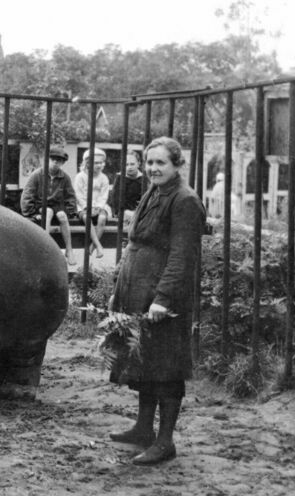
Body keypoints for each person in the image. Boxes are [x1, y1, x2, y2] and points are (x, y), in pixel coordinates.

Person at [107, 136, 206, 465]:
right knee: (144, 361)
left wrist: (162, 299)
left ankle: (165, 442)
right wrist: (120, 289)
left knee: (166, 366)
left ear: (178, 164)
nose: (153, 168)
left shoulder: (185, 200)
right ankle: (142, 429)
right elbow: (136, 242)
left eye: (160, 162)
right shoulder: (154, 191)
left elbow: (181, 257)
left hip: (164, 299)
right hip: (138, 291)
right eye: (149, 162)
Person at [20, 145, 78, 265]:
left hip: (57, 205)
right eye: (53, 160)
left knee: (62, 215)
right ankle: (45, 247)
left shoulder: (64, 177)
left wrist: (70, 210)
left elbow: (70, 195)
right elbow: (28, 193)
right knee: (48, 212)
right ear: (48, 160)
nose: (55, 163)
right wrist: (31, 212)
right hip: (41, 205)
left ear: (62, 163)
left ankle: (69, 249)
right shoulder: (37, 174)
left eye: (59, 161)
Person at [74, 148, 111, 257]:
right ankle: (98, 245)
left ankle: (92, 247)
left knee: (102, 218)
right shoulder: (80, 177)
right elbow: (78, 195)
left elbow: (104, 195)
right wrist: (87, 207)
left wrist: (99, 207)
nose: (99, 165)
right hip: (84, 206)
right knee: (87, 218)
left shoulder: (104, 178)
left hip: (99, 206)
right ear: (87, 163)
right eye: (95, 163)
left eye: (100, 163)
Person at [110, 150, 144, 225]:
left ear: (139, 163)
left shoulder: (143, 179)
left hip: (139, 211)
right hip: (123, 211)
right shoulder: (120, 178)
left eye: (132, 164)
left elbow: (145, 198)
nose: (129, 167)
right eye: (126, 164)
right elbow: (116, 200)